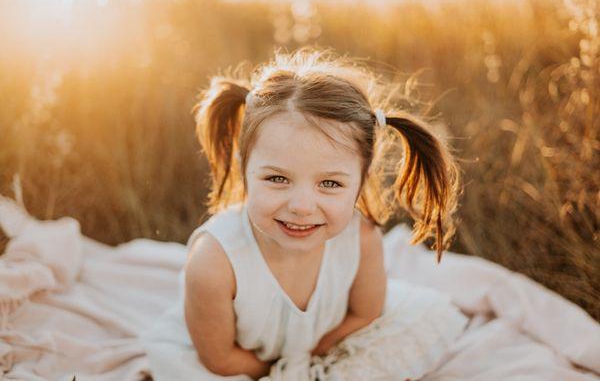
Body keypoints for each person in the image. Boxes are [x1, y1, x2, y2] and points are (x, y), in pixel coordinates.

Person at [140, 47, 468, 381]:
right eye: (277, 178)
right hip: (239, 364)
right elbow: (220, 359)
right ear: (244, 169)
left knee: (407, 335)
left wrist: (315, 362)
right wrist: (285, 373)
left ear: (362, 178)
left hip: (322, 347)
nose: (301, 206)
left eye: (329, 183)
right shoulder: (213, 263)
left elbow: (364, 314)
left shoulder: (362, 238)